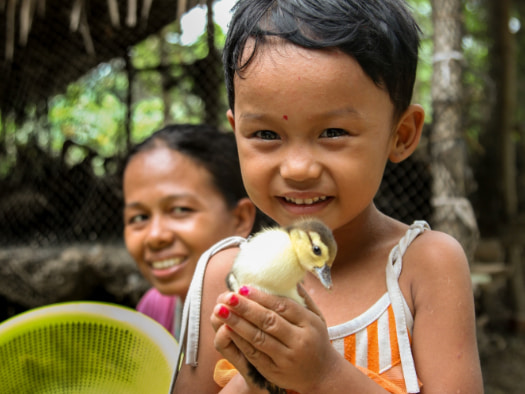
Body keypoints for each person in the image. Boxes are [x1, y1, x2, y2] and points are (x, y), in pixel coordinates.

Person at [172, 0, 483, 393]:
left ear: (401, 134)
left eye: (333, 132)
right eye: (266, 135)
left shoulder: (426, 268)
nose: (298, 168)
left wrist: (325, 376)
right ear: (236, 133)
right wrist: (253, 382)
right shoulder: (225, 276)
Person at [123, 124, 266, 339]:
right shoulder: (155, 308)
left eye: (180, 210)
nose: (155, 236)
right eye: (139, 217)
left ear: (240, 218)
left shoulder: (273, 318)